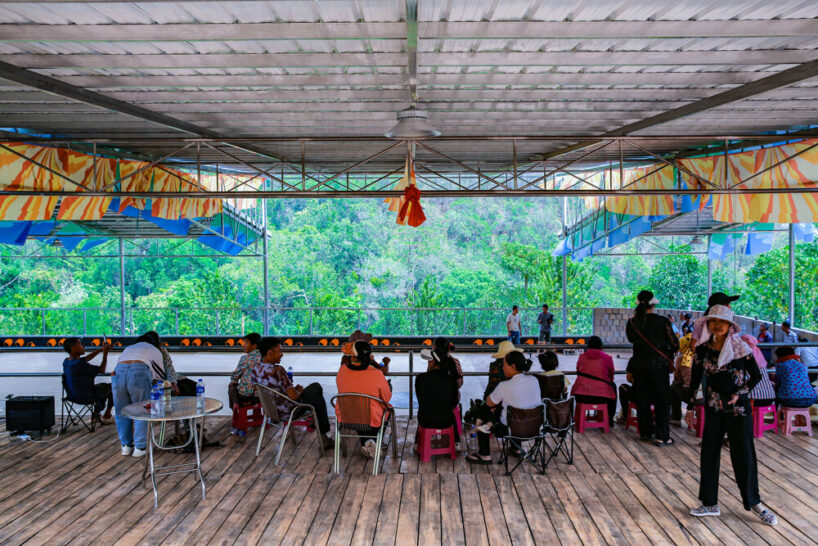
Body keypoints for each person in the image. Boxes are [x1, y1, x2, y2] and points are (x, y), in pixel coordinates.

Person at [685, 305, 778, 525]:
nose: (717, 325)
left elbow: (755, 376)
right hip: (714, 406)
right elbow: (695, 380)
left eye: (722, 322)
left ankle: (755, 503)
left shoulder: (741, 347)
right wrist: (689, 408)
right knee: (709, 453)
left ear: (729, 326)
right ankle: (709, 503)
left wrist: (739, 394)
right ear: (708, 324)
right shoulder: (702, 350)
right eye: (713, 321)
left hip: (739, 408)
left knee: (744, 454)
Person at [252, 337, 334, 451]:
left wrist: (294, 390)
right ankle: (323, 435)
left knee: (316, 396)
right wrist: (299, 390)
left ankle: (317, 426)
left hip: (271, 412)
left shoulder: (255, 369)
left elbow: (264, 389)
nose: (282, 354)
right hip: (288, 411)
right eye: (279, 351)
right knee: (316, 389)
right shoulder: (278, 370)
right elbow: (293, 396)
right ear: (270, 352)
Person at [466, 351, 541, 465]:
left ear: (513, 366)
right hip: (534, 427)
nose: (502, 367)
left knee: (485, 411)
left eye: (504, 364)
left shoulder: (504, 386)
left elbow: (489, 403)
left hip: (510, 429)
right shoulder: (534, 380)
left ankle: (484, 454)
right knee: (515, 411)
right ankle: (516, 448)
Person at [626, 290, 679, 446]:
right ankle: (662, 436)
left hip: (639, 366)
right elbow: (675, 343)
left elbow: (631, 340)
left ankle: (645, 433)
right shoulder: (663, 321)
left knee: (643, 399)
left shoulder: (632, 323)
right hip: (659, 367)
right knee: (662, 401)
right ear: (653, 305)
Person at [335, 340, 393, 458]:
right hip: (371, 421)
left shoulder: (342, 370)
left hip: (346, 418)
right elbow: (387, 397)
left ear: (353, 355)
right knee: (387, 409)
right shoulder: (376, 373)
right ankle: (373, 440)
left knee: (358, 411)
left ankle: (367, 442)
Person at [113, 333, 163, 458]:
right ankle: (140, 447)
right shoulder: (154, 349)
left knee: (121, 410)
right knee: (142, 409)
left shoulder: (129, 348)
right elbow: (160, 376)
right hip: (138, 371)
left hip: (118, 373)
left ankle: (126, 446)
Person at [415, 344, 460, 446]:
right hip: (446, 421)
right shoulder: (451, 380)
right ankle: (456, 443)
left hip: (425, 420)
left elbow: (420, 401)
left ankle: (417, 443)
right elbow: (454, 403)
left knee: (424, 410)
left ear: (433, 362)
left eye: (430, 360)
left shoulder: (420, 378)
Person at [62, 337, 114, 424]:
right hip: (87, 396)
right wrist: (105, 354)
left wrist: (100, 349)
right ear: (72, 347)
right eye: (80, 344)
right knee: (112, 386)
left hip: (72, 396)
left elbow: (85, 359)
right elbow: (102, 370)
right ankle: (106, 414)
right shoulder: (80, 365)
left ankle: (97, 414)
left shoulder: (67, 362)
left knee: (103, 388)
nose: (83, 346)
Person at [571, 336, 616, 427]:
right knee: (613, 386)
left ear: (588, 346)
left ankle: (579, 419)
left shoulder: (582, 357)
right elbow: (611, 376)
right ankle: (609, 417)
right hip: (601, 397)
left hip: (581, 395)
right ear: (601, 346)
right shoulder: (607, 358)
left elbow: (578, 372)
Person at [229, 332, 261, 436]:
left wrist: (233, 381)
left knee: (231, 387)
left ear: (254, 345)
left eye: (246, 343)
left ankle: (237, 417)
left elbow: (236, 375)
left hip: (246, 395)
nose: (244, 345)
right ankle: (258, 417)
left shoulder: (245, 358)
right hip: (262, 395)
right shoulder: (265, 357)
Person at [144, 331, 180, 395]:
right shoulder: (142, 353)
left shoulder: (162, 351)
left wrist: (173, 383)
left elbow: (169, 368)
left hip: (164, 381)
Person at [670, 333, 694, 425]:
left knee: (673, 387)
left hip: (690, 395)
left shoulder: (681, 359)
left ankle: (676, 417)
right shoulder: (702, 358)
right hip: (705, 396)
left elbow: (677, 378)